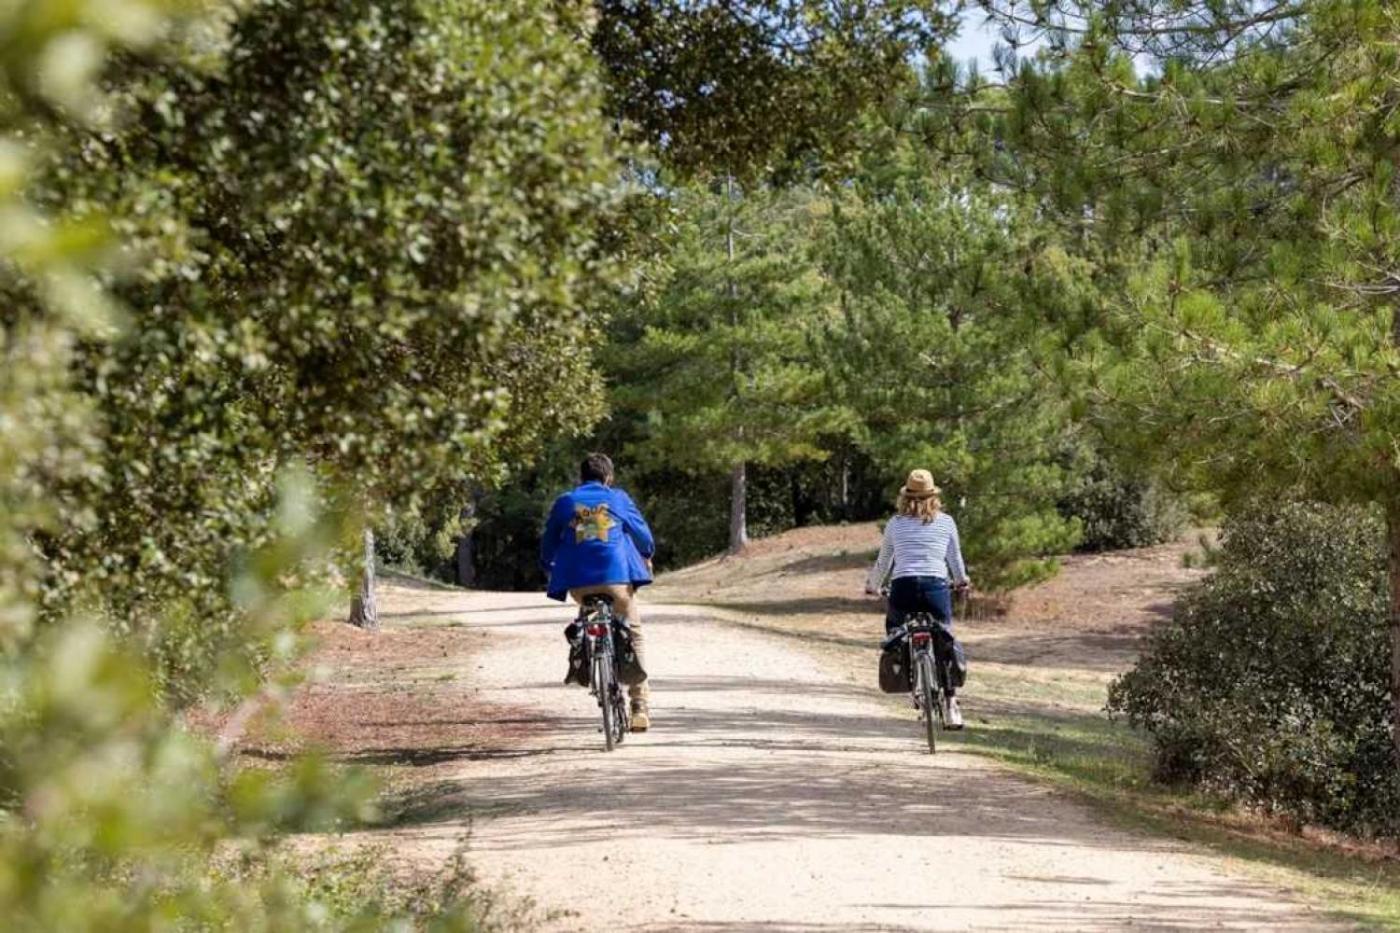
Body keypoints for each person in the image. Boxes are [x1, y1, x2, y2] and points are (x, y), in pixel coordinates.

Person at [541, 452, 656, 731]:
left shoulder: (566, 502)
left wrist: (549, 566)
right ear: (609, 477)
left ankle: (584, 648)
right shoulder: (618, 498)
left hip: (579, 585)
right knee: (633, 629)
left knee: (588, 611)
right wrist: (647, 554)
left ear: (581, 478)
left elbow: (547, 543)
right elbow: (643, 537)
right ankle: (639, 705)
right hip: (617, 581)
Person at [864, 469, 972, 729]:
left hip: (903, 588)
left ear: (906, 496)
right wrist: (961, 581)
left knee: (895, 633)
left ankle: (908, 676)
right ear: (934, 496)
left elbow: (884, 561)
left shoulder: (895, 523)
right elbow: (955, 560)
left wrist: (872, 585)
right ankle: (951, 704)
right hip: (936, 587)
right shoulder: (946, 522)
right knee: (944, 637)